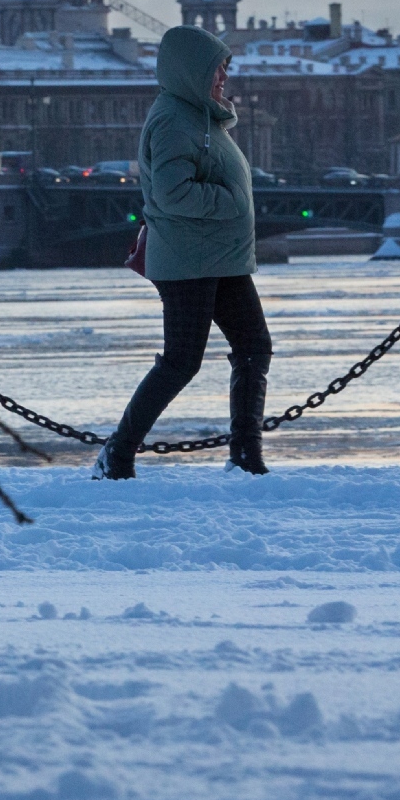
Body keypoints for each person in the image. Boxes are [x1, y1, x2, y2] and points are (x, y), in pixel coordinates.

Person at [95, 26, 270, 480]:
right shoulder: (175, 119)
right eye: (217, 67)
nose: (224, 76)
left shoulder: (202, 115)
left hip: (220, 256)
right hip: (189, 260)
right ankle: (117, 453)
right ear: (193, 70)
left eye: (226, 67)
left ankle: (246, 456)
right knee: (181, 361)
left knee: (254, 347)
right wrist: (232, 204)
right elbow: (172, 194)